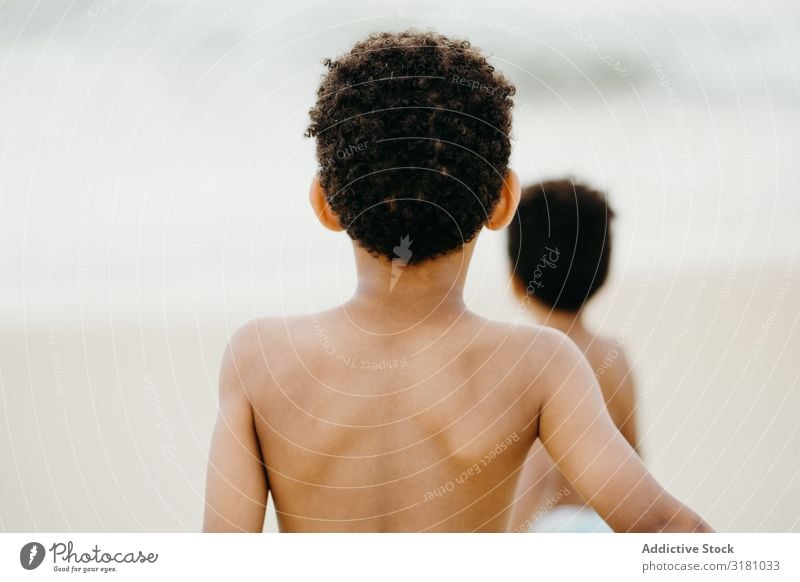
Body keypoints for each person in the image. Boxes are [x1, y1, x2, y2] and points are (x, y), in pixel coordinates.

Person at [202, 30, 711, 533]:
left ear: (325, 203)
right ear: (502, 202)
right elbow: (664, 526)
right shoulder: (540, 364)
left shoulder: (258, 358)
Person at [507, 179, 638, 532]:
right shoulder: (615, 355)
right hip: (604, 525)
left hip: (552, 529)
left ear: (515, 279)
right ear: (603, 274)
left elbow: (538, 476)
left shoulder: (528, 358)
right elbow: (635, 461)